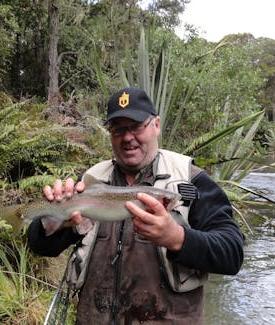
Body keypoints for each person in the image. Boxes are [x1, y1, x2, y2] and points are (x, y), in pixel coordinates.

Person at [27, 87, 244, 324]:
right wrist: (56, 224)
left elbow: (232, 253)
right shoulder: (91, 181)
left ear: (156, 125)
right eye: (118, 129)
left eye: (136, 126)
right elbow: (41, 246)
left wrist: (178, 239)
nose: (128, 137)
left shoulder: (191, 182)